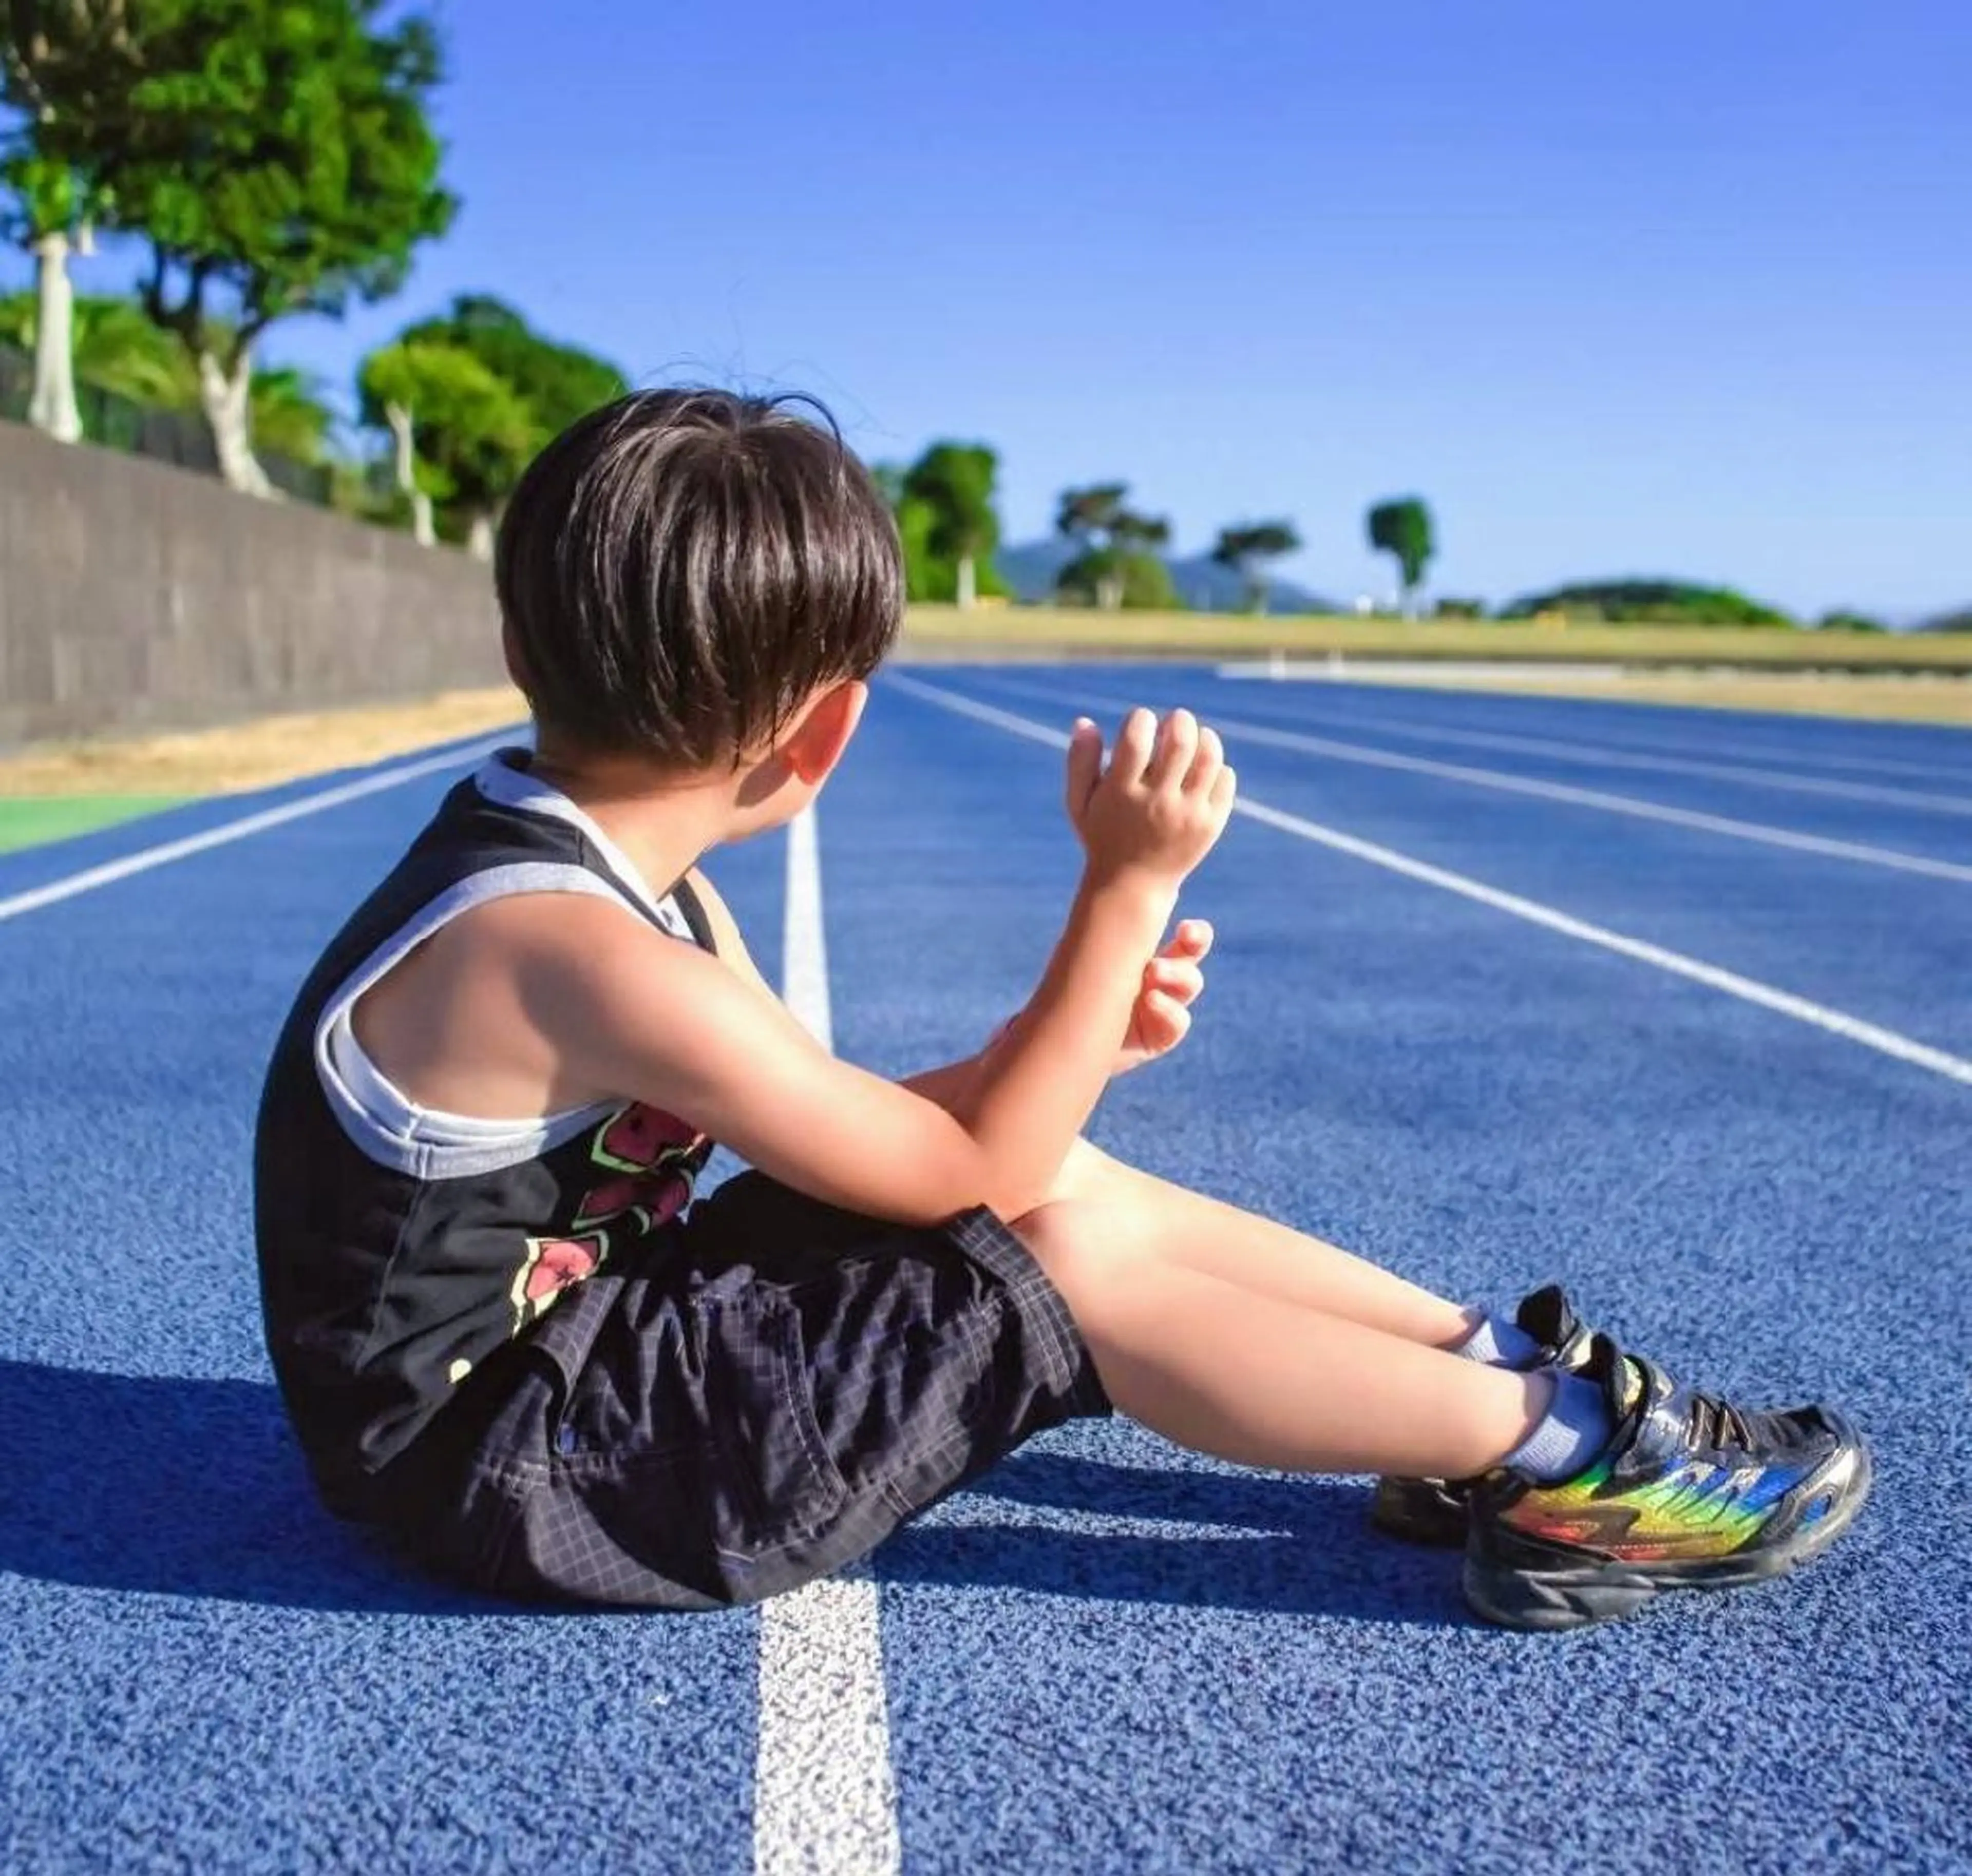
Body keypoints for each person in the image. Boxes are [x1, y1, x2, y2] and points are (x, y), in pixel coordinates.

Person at [253, 389, 1869, 1630]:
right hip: (515, 1473)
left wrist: (1070, 1043)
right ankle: (1575, 1471)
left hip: (592, 1365)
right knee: (1064, 1262)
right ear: (821, 735)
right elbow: (952, 1182)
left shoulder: (600, 878)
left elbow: (865, 1134)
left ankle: (1494, 1382)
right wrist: (1123, 894)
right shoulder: (579, 949)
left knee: (1066, 1176)